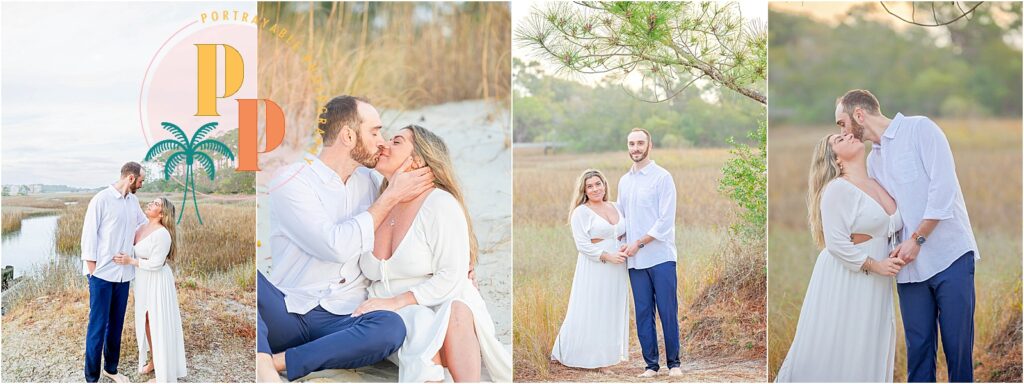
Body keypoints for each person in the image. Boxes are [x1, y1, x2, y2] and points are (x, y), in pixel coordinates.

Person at [256, 96, 434, 382]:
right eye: (375, 132)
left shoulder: (372, 181)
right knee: (251, 283)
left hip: (343, 318)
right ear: (348, 136)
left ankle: (272, 363)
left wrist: (465, 258)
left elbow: (418, 217)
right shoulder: (291, 181)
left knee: (390, 328)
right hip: (289, 311)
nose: (382, 142)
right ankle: (271, 362)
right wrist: (388, 198)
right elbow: (335, 246)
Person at [836, 89, 978, 382]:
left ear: (859, 115)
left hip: (950, 257)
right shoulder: (873, 161)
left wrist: (918, 239)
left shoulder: (920, 129)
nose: (842, 130)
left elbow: (944, 190)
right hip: (909, 271)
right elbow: (889, 215)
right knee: (919, 353)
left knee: (957, 349)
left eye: (842, 122)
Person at [356, 124, 513, 382]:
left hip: (441, 296)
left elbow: (451, 276)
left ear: (418, 160)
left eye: (396, 142)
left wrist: (395, 302)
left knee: (455, 310)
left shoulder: (439, 204)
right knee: (419, 326)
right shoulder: (377, 200)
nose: (384, 145)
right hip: (393, 311)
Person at [775, 133, 904, 382]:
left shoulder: (877, 183)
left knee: (868, 341)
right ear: (835, 158)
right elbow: (836, 244)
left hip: (877, 280)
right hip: (848, 275)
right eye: (839, 139)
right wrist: (876, 265)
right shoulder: (837, 189)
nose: (848, 135)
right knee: (841, 341)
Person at [550, 169, 630, 371]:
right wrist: (608, 255)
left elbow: (623, 233)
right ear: (584, 190)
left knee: (611, 307)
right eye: (590, 186)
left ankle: (608, 353)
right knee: (593, 306)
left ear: (604, 184)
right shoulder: (581, 212)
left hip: (618, 268)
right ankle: (591, 357)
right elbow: (583, 245)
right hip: (597, 266)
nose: (595, 189)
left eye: (598, 184)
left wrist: (624, 247)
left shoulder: (616, 207)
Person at [617, 128, 681, 378]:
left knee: (667, 311)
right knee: (643, 312)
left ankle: (674, 363)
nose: (635, 148)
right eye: (631, 143)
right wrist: (621, 241)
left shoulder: (662, 177)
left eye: (640, 143)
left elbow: (665, 221)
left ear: (649, 145)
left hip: (661, 257)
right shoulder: (624, 181)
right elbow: (622, 218)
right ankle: (651, 365)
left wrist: (639, 242)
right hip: (635, 261)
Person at [82, 161, 147, 383]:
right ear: (131, 178)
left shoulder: (134, 201)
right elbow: (89, 235)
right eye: (141, 180)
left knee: (116, 324)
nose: (141, 184)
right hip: (101, 275)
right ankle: (92, 377)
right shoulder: (101, 199)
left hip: (124, 275)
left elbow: (143, 227)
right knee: (97, 326)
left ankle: (111, 368)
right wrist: (92, 271)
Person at [113, 197, 187, 382]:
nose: (150, 204)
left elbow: (155, 264)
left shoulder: (163, 234)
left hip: (157, 280)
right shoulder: (142, 227)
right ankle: (154, 360)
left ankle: (164, 370)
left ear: (162, 214)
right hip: (143, 280)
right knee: (145, 320)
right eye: (152, 202)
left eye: (155, 204)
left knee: (157, 321)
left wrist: (130, 261)